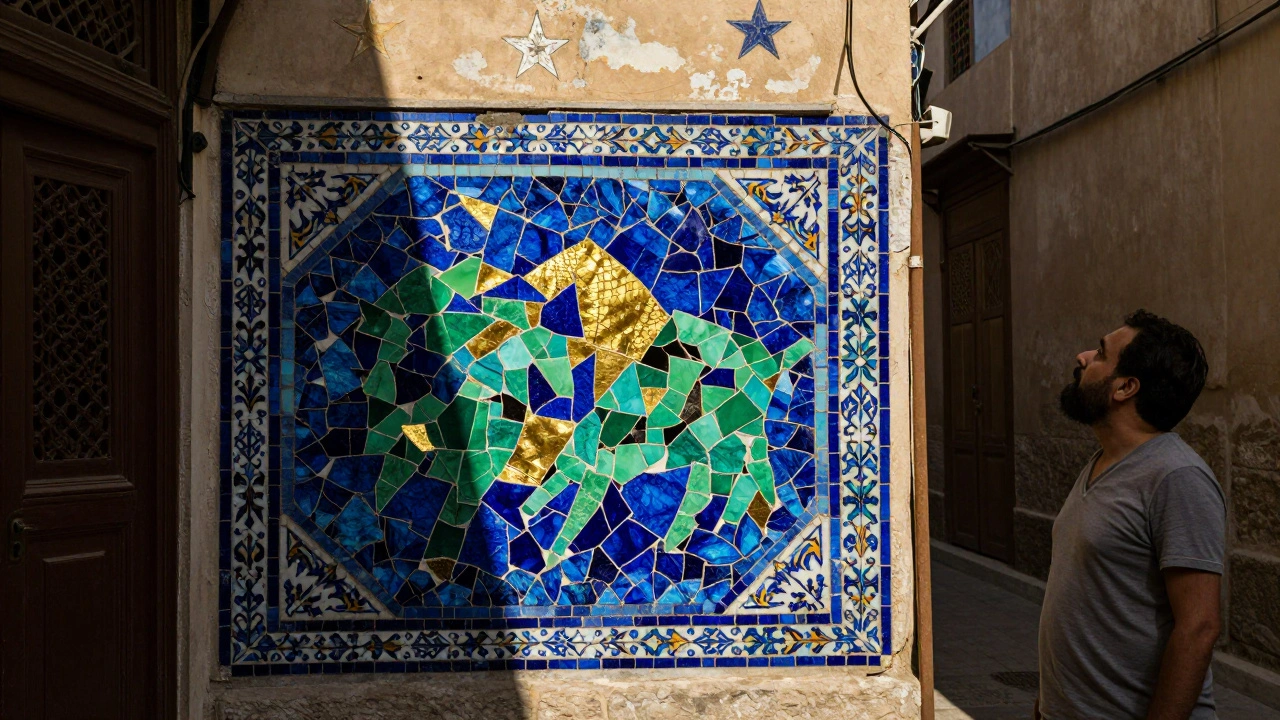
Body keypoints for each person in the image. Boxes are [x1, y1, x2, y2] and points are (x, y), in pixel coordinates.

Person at [1035, 310, 1224, 720]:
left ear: (1125, 387)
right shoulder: (1101, 463)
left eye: (1101, 353)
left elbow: (1199, 628)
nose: (1083, 357)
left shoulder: (1177, 477)